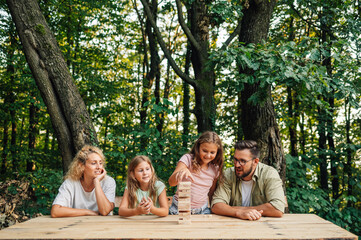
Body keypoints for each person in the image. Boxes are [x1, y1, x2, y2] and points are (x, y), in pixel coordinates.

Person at [211, 140, 286, 221]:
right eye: (235, 159)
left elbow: (277, 208)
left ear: (255, 161)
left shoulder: (269, 174)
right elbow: (216, 206)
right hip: (233, 225)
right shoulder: (229, 174)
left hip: (263, 225)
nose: (237, 165)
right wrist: (239, 213)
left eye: (243, 161)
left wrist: (239, 210)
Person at [51, 145, 116, 217]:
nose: (99, 167)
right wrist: (87, 212)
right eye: (93, 163)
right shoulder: (71, 183)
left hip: (104, 226)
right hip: (76, 225)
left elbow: (105, 211)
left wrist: (97, 182)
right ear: (81, 166)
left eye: (100, 163)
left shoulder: (108, 182)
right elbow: (55, 211)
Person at [168, 131, 224, 214]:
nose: (208, 155)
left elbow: (212, 192)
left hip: (202, 210)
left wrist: (214, 208)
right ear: (198, 148)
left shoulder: (215, 169)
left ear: (217, 152)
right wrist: (181, 172)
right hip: (179, 209)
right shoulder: (187, 159)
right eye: (204, 151)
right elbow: (171, 182)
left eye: (212, 152)